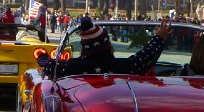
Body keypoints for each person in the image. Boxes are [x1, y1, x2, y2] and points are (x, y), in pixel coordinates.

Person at [39, 17, 172, 77]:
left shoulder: (71, 67)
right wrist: (159, 38)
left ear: (85, 48)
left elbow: (50, 67)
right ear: (108, 45)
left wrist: (44, 59)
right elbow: (145, 58)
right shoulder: (124, 66)